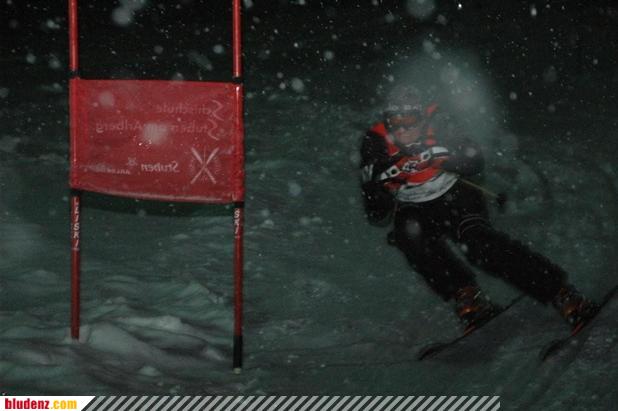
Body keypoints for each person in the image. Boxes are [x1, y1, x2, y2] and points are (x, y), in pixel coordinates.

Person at [360, 85, 598, 332]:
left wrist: (444, 159)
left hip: (454, 194)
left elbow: (474, 161)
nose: (402, 130)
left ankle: (561, 293)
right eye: (395, 122)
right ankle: (466, 295)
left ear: (421, 117)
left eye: (409, 121)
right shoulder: (375, 142)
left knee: (478, 244)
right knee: (409, 234)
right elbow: (376, 213)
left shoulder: (439, 123)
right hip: (414, 206)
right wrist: (380, 188)